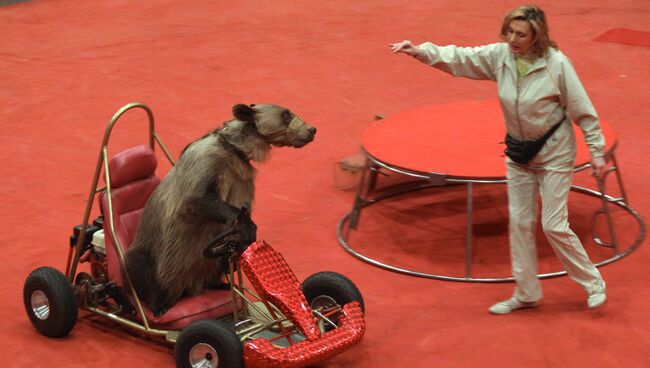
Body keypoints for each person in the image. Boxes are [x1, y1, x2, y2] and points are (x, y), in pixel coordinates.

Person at [390, 5, 607, 314]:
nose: (513, 39)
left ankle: (592, 282)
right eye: (510, 32)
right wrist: (421, 51)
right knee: (519, 223)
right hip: (518, 154)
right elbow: (460, 58)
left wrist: (596, 151)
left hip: (555, 153)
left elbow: (582, 109)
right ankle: (527, 293)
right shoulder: (501, 56)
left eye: (521, 34)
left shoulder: (557, 65)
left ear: (537, 37)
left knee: (553, 225)